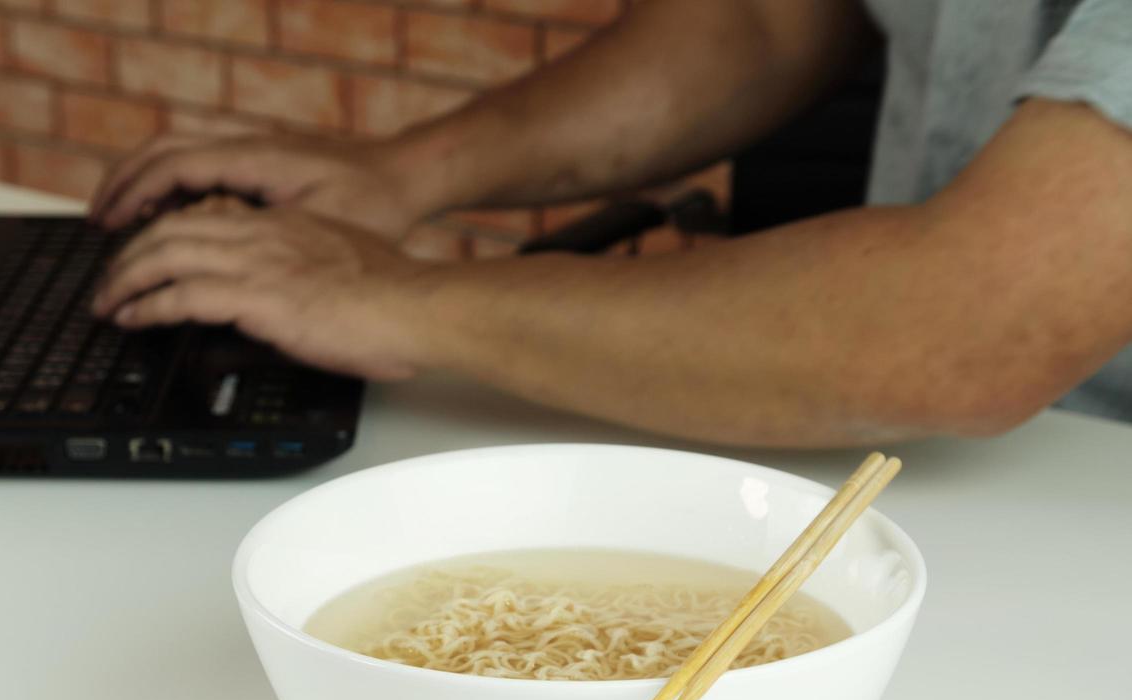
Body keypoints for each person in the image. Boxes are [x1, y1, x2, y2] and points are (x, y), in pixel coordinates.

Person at [87, 0, 1132, 448]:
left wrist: (391, 300)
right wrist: (401, 175)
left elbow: (963, 332)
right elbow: (765, 22)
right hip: (943, 480)